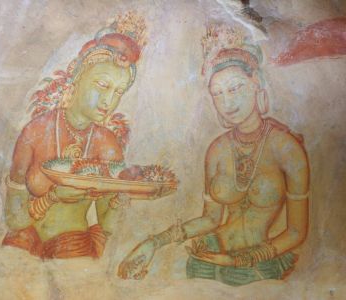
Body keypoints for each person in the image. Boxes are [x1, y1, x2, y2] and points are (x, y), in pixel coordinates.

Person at [118, 24, 310, 286]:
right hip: (207, 254)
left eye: (235, 88)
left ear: (256, 84)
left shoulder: (286, 148)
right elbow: (211, 219)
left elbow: (297, 231)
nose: (228, 102)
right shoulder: (217, 150)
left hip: (258, 263)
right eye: (217, 94)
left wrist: (241, 260)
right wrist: (154, 242)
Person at [2, 12, 148, 259]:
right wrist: (51, 197)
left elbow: (109, 225)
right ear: (77, 79)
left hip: (71, 241)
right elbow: (14, 219)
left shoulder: (108, 144)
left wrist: (121, 195)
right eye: (102, 85)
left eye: (118, 92)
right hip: (23, 236)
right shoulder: (35, 132)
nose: (109, 101)